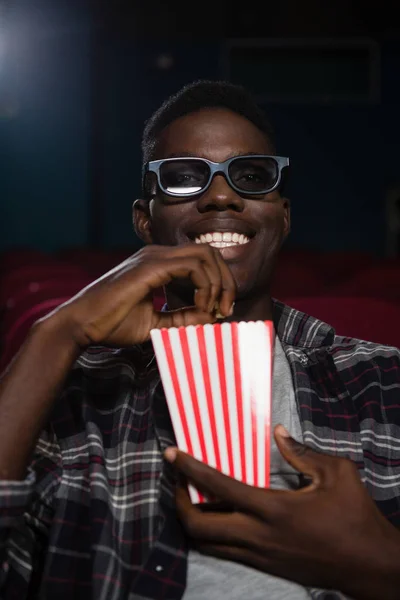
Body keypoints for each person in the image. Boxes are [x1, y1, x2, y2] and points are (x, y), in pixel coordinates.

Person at [0, 80, 399, 600]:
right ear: (145, 221)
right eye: (184, 179)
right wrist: (57, 332)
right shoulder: (74, 395)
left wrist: (377, 564)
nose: (221, 196)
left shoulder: (381, 381)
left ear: (284, 217)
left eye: (251, 177)